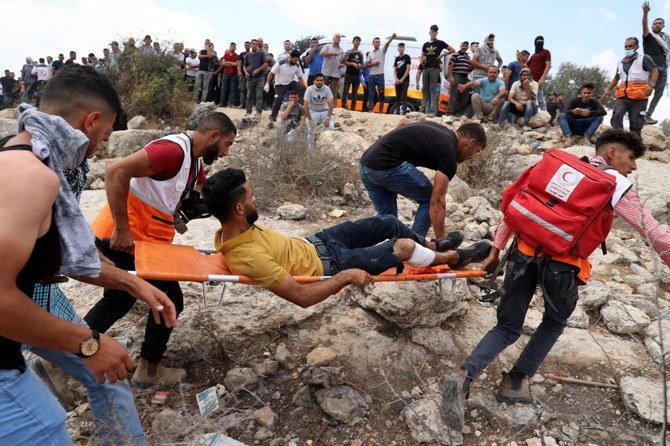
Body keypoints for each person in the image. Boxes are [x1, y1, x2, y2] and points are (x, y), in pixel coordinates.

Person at [440, 129, 670, 431]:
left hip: (521, 255)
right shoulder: (617, 184)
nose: (634, 166)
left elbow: (514, 207)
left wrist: (496, 249)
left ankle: (463, 377)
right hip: (562, 268)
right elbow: (652, 231)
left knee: (507, 326)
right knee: (553, 322)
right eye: (631, 157)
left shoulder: (556, 166)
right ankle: (515, 382)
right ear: (612, 153)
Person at [0, 65, 176, 445]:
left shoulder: (34, 162)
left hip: (23, 310)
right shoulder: (30, 176)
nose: (101, 146)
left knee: (109, 375)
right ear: (91, 122)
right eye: (106, 134)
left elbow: (63, 253)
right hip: (10, 336)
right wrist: (88, 344)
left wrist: (133, 283)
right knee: (46, 426)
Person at [86, 113, 236, 387]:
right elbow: (115, 171)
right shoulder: (172, 151)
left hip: (143, 242)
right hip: (124, 238)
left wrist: (237, 207)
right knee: (168, 300)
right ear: (213, 136)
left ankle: (61, 359)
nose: (226, 153)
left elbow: (208, 194)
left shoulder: (194, 162)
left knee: (118, 300)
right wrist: (122, 228)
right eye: (227, 144)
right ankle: (150, 369)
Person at [203, 168, 492, 306]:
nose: (256, 197)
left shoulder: (236, 226)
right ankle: (453, 258)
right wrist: (345, 277)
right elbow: (302, 297)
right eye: (251, 195)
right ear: (239, 208)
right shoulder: (246, 257)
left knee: (389, 222)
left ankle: (430, 245)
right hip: (333, 264)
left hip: (318, 241)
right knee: (402, 247)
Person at [359, 122, 487, 238]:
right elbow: (436, 202)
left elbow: (404, 123)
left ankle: (392, 253)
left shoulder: (441, 132)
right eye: (476, 151)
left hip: (365, 166)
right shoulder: (448, 152)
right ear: (470, 143)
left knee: (389, 222)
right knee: (428, 198)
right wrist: (441, 240)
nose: (472, 158)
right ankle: (415, 245)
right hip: (385, 166)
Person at [601, 37, 658, 137]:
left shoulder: (643, 58)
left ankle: (635, 147)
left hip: (639, 97)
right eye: (626, 46)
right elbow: (616, 78)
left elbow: (655, 71)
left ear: (637, 47)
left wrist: (651, 85)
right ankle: (620, 139)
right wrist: (608, 90)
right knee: (617, 116)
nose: (628, 48)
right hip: (622, 96)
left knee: (635, 122)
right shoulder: (620, 62)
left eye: (630, 46)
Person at [642, 1, 669, 125]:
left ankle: (647, 114)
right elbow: (644, 26)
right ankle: (640, 113)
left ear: (663, 25)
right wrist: (645, 14)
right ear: (652, 25)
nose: (657, 25)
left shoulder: (666, 38)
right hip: (651, 67)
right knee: (647, 90)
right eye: (655, 23)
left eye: (659, 23)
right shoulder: (648, 36)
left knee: (659, 93)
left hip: (663, 67)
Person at [422, 25, 454, 116]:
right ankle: (423, 108)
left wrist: (443, 55)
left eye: (435, 32)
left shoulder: (440, 43)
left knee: (432, 89)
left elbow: (452, 50)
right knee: (425, 89)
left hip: (435, 68)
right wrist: (421, 61)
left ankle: (432, 110)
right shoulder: (425, 44)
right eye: (432, 31)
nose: (433, 33)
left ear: (437, 33)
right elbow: (423, 54)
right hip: (426, 68)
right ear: (429, 32)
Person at [267, 49, 304, 123]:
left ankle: (297, 108)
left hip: (290, 83)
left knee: (303, 88)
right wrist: (267, 83)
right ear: (290, 57)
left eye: (297, 60)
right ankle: (272, 119)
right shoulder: (280, 63)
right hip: (280, 84)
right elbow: (271, 73)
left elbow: (300, 78)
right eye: (294, 60)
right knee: (278, 101)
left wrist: (302, 87)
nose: (295, 62)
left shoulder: (297, 65)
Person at [367, 33, 397, 113]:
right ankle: (370, 110)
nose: (377, 43)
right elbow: (367, 65)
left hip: (380, 74)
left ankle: (380, 111)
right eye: (376, 42)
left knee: (381, 93)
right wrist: (373, 64)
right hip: (372, 75)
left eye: (378, 42)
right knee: (371, 94)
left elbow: (387, 44)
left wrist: (391, 38)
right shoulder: (370, 53)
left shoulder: (382, 51)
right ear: (373, 43)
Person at [448, 41, 473, 117]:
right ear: (460, 46)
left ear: (467, 47)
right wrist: (451, 77)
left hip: (465, 76)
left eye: (466, 46)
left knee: (464, 95)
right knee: (454, 94)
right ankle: (451, 113)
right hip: (456, 75)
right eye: (463, 45)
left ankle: (460, 113)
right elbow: (450, 66)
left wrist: (472, 67)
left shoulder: (468, 57)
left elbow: (468, 69)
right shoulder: (455, 55)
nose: (464, 47)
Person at [244, 39, 268, 116]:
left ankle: (258, 112)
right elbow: (244, 66)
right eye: (253, 44)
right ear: (251, 45)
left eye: (256, 44)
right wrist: (246, 72)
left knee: (259, 95)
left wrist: (258, 70)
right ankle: (248, 112)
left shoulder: (261, 54)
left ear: (258, 45)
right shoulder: (247, 55)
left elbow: (265, 64)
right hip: (250, 78)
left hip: (260, 77)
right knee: (249, 95)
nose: (254, 45)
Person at [527, 36, 551, 111]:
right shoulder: (533, 56)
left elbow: (548, 65)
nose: (540, 42)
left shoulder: (546, 52)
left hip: (538, 81)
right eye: (538, 41)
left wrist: (543, 78)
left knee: (541, 101)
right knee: (530, 100)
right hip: (530, 81)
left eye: (541, 41)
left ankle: (546, 118)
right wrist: (520, 60)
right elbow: (526, 67)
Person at [320, 34, 345, 101]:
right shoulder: (327, 46)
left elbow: (340, 61)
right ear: (333, 38)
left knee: (333, 93)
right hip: (326, 72)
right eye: (337, 37)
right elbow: (321, 53)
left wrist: (341, 65)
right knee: (323, 91)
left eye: (339, 38)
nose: (338, 38)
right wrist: (331, 54)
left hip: (336, 74)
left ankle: (331, 109)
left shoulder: (341, 50)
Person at [342, 36, 364, 111]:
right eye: (356, 41)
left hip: (356, 75)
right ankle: (343, 107)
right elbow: (344, 62)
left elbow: (362, 64)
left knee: (355, 94)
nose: (357, 42)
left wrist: (360, 66)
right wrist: (352, 64)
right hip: (349, 74)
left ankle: (353, 109)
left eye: (358, 41)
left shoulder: (360, 53)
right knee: (345, 92)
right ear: (353, 42)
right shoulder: (349, 52)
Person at [219, 42, 240, 107]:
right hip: (226, 73)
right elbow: (223, 63)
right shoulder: (226, 54)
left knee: (233, 89)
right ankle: (222, 103)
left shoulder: (237, 56)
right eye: (231, 46)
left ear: (235, 48)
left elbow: (237, 64)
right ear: (229, 47)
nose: (233, 47)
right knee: (224, 88)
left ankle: (231, 104)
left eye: (234, 46)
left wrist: (228, 62)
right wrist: (232, 63)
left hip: (234, 74)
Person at [394, 42, 412, 114]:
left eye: (402, 47)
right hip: (397, 80)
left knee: (404, 96)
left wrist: (402, 79)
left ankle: (404, 112)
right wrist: (396, 79)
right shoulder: (397, 58)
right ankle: (397, 111)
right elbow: (395, 70)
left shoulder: (407, 57)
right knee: (397, 96)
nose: (401, 49)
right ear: (398, 49)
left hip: (405, 80)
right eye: (400, 47)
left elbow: (408, 69)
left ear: (404, 48)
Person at [237, 41, 251, 109]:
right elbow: (239, 63)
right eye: (246, 45)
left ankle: (248, 105)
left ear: (250, 46)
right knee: (242, 90)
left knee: (250, 90)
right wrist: (239, 71)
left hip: (251, 75)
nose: (247, 46)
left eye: (248, 45)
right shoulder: (242, 54)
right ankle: (242, 104)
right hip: (243, 74)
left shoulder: (252, 53)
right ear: (244, 46)